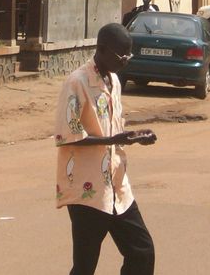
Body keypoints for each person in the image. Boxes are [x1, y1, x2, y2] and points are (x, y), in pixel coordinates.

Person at [55, 23, 157, 274]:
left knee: (142, 252)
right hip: (88, 190)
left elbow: (113, 129)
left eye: (129, 55)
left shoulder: (114, 81)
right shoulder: (77, 83)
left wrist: (132, 136)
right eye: (121, 55)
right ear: (101, 49)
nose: (126, 61)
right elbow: (67, 137)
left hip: (117, 185)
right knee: (85, 266)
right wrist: (111, 140)